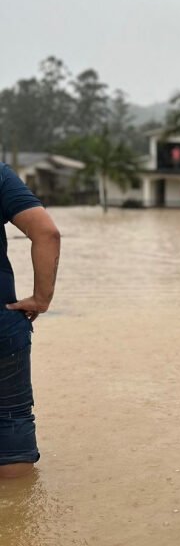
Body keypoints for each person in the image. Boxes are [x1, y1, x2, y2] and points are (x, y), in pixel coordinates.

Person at [0, 162, 61, 478]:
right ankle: (16, 522)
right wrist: (41, 299)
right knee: (11, 422)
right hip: (3, 321)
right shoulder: (0, 174)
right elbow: (47, 232)